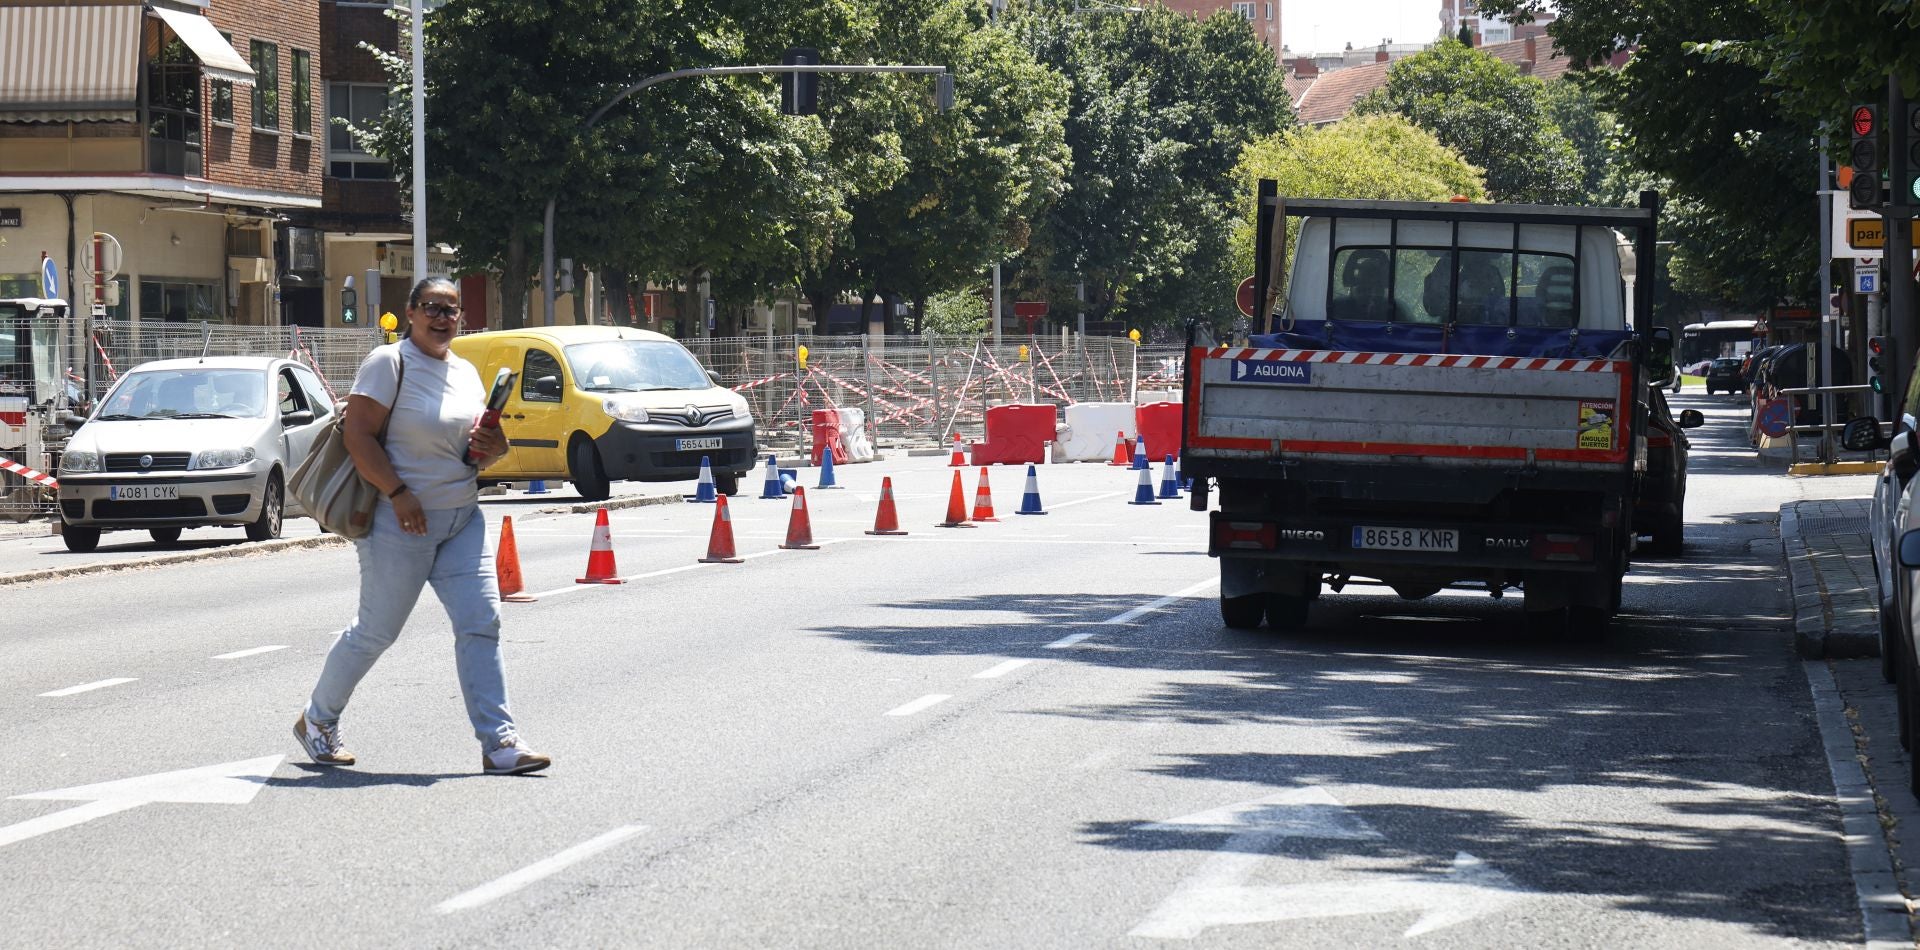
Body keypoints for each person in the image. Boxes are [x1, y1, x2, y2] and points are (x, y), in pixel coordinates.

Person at [293, 276, 551, 776]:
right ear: (410, 313)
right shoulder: (389, 363)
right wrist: (397, 492)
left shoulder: (466, 373)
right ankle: (318, 721)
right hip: (399, 523)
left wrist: (491, 448)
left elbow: (484, 449)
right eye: (431, 307)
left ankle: (500, 743)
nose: (442, 318)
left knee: (481, 623)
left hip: (462, 520)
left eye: (451, 310)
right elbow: (358, 436)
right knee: (375, 633)